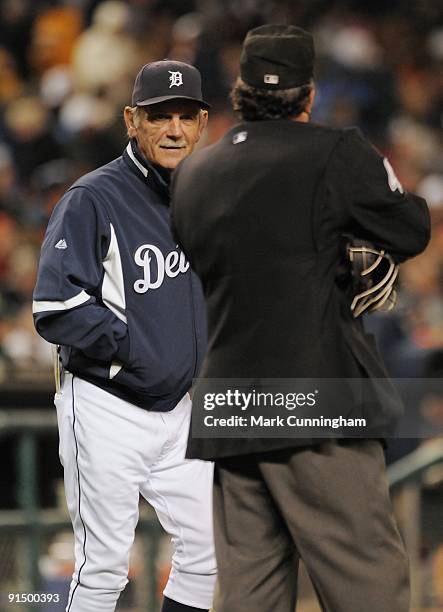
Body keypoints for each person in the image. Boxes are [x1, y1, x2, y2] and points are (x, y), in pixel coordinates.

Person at [170, 25, 431, 612]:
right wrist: (343, 253)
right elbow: (412, 227)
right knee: (368, 584)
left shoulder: (193, 175)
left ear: (239, 91)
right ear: (308, 94)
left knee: (248, 593)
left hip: (230, 407)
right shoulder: (337, 152)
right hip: (316, 402)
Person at [33, 60, 216, 612]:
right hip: (106, 404)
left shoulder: (204, 198)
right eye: (161, 117)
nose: (175, 129)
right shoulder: (95, 197)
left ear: (204, 123)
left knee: (210, 549)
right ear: (132, 120)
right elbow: (55, 306)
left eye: (186, 116)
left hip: (177, 408)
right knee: (105, 565)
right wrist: (135, 349)